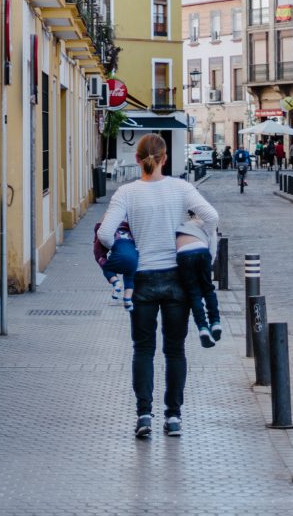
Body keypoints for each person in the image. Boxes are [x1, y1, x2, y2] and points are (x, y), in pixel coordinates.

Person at [97, 133, 219, 438]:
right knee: (175, 350)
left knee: (143, 349)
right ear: (165, 158)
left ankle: (144, 415)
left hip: (141, 281)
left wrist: (128, 254)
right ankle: (174, 416)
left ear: (137, 160)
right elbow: (211, 216)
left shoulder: (126, 193)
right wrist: (207, 251)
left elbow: (105, 234)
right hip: (177, 278)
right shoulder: (181, 188)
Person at [175, 213, 222, 348]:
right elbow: (212, 248)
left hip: (183, 252)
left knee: (194, 293)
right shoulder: (206, 223)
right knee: (208, 289)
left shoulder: (179, 222)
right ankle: (215, 322)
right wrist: (209, 266)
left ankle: (202, 328)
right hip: (202, 251)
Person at [93, 220, 137, 310]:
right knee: (130, 277)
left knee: (107, 269)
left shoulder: (110, 234)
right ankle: (128, 300)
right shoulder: (132, 233)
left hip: (118, 257)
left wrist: (103, 262)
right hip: (133, 260)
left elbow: (98, 255)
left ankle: (116, 283)